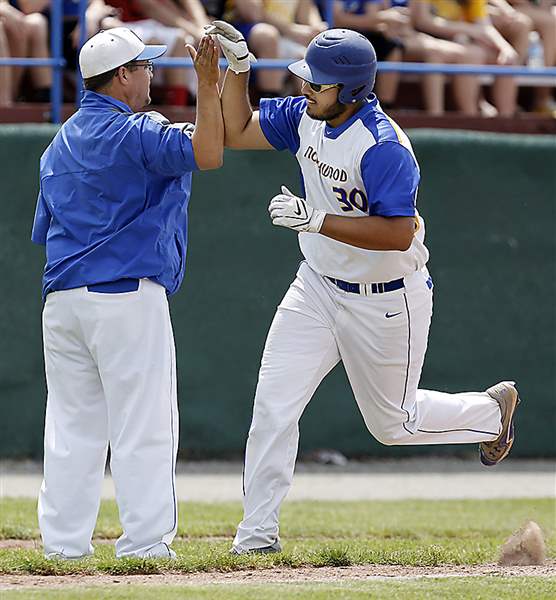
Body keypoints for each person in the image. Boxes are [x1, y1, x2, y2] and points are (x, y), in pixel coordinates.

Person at [209, 22, 520, 554]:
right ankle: (257, 535)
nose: (305, 89)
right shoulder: (305, 115)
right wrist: (238, 71)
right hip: (316, 286)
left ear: (351, 91)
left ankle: (491, 415)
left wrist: (316, 220)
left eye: (318, 83)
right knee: (273, 406)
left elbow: (399, 233)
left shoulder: (382, 146)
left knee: (393, 426)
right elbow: (237, 131)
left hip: (385, 296)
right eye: (306, 78)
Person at [32, 27, 222, 559]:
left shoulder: (58, 142)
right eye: (145, 67)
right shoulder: (139, 130)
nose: (152, 76)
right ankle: (145, 544)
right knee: (145, 423)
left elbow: (45, 230)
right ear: (122, 76)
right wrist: (208, 85)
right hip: (123, 297)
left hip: (63, 302)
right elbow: (208, 152)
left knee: (72, 429)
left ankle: (63, 547)